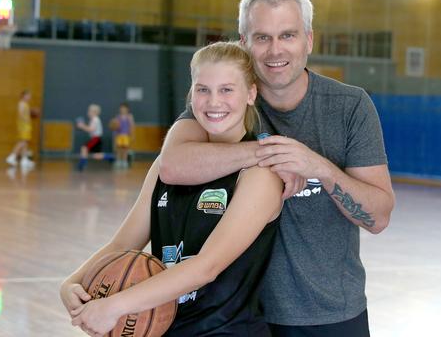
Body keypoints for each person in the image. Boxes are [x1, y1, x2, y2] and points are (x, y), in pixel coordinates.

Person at [159, 0, 395, 336]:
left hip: (329, 314)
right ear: (244, 43)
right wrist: (264, 153)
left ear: (308, 40)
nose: (275, 50)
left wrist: (318, 166)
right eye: (262, 37)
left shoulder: (350, 106)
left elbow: (378, 217)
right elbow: (173, 166)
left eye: (287, 35)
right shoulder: (225, 102)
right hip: (238, 317)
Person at [60, 41, 283, 336]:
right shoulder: (169, 166)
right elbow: (121, 246)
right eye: (203, 89)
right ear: (192, 95)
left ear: (250, 93)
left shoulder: (260, 175)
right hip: (165, 329)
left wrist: (115, 306)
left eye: (227, 90)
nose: (214, 102)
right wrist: (73, 283)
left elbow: (207, 267)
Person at [76, 104, 112, 171]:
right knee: (96, 155)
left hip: (96, 139)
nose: (88, 113)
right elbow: (90, 129)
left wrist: (82, 126)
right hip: (96, 139)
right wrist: (83, 126)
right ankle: (111, 157)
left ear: (95, 112)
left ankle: (81, 165)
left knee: (84, 148)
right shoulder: (94, 120)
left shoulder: (95, 119)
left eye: (89, 111)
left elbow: (91, 129)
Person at [6, 89, 37, 168]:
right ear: (24, 96)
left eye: (30, 95)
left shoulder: (26, 104)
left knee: (25, 142)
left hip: (26, 125)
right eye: (28, 95)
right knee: (22, 142)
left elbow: (25, 114)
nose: (30, 97)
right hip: (23, 125)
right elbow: (20, 114)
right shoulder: (22, 103)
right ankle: (12, 157)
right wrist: (26, 119)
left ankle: (24, 160)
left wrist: (30, 115)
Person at [110, 102, 135, 169]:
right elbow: (115, 127)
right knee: (119, 148)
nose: (123, 110)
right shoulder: (118, 117)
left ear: (127, 109)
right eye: (122, 108)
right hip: (119, 135)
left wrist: (132, 135)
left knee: (125, 148)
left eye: (124, 108)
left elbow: (131, 126)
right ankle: (118, 161)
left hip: (126, 135)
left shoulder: (129, 116)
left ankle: (124, 161)